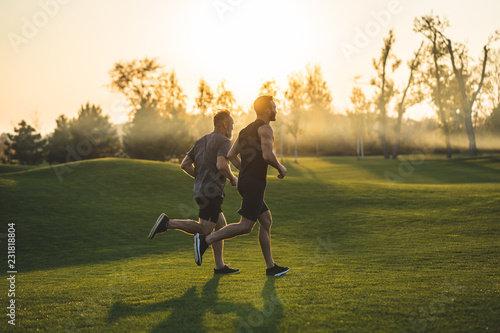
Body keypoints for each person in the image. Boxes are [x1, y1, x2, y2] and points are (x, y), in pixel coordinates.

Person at [194, 96, 289, 277]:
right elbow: (268, 155)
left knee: (266, 220)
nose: (276, 110)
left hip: (245, 182)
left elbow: (230, 154)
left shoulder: (245, 131)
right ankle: (206, 240)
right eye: (274, 107)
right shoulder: (266, 129)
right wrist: (281, 168)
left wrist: (244, 170)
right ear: (268, 110)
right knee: (245, 226)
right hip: (254, 184)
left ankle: (271, 267)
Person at [148, 110, 240, 275]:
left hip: (200, 190)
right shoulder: (224, 141)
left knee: (220, 226)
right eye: (232, 125)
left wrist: (200, 178)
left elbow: (185, 164)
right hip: (212, 192)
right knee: (205, 229)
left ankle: (219, 266)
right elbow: (221, 165)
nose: (232, 128)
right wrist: (233, 178)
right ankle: (167, 223)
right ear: (225, 124)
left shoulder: (201, 141)